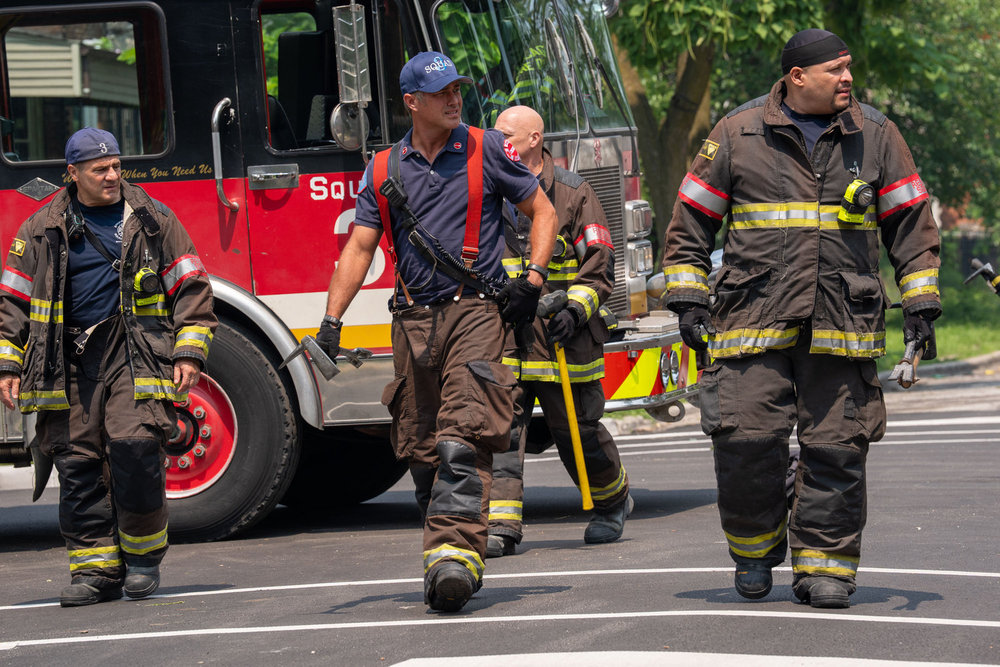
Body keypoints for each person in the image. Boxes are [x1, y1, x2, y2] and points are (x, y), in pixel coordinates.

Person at [660, 29, 940, 608]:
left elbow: (911, 227)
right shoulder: (737, 134)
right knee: (746, 444)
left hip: (843, 324)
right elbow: (690, 224)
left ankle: (827, 568)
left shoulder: (878, 135)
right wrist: (687, 299)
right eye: (835, 70)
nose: (847, 79)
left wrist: (920, 304)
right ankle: (754, 552)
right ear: (797, 78)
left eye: (849, 69)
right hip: (749, 322)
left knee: (838, 448)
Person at [316, 53, 557, 612]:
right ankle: (445, 554)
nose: (455, 100)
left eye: (458, 89)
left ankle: (454, 558)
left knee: (462, 436)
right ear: (411, 103)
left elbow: (541, 212)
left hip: (477, 312)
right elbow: (359, 246)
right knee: (422, 449)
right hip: (414, 323)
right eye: (441, 92)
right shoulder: (381, 169)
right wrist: (332, 321)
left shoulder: (488, 148)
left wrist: (534, 279)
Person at [0, 128, 216, 607]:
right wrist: (7, 367)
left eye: (117, 166)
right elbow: (12, 301)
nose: (113, 176)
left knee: (136, 450)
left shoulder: (152, 219)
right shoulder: (41, 227)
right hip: (65, 361)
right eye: (101, 169)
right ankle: (95, 570)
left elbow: (192, 287)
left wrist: (188, 351)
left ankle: (141, 560)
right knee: (76, 464)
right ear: (72, 173)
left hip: (132, 353)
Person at [486, 106, 631, 558]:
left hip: (562, 337)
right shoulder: (488, 190)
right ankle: (502, 526)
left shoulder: (573, 192)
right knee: (502, 431)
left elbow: (600, 264)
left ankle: (612, 502)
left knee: (576, 430)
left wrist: (575, 308)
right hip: (506, 336)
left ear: (534, 139)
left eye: (506, 134)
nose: (497, 142)